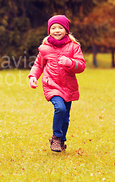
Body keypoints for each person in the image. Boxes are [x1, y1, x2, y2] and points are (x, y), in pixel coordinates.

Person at [28, 15, 85, 152]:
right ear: (49, 31)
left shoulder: (74, 47)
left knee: (65, 118)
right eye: (53, 28)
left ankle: (61, 141)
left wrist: (70, 63)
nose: (57, 30)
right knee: (60, 108)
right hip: (52, 85)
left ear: (66, 30)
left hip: (68, 86)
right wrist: (33, 76)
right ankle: (56, 137)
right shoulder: (45, 48)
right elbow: (38, 65)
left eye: (60, 27)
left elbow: (81, 65)